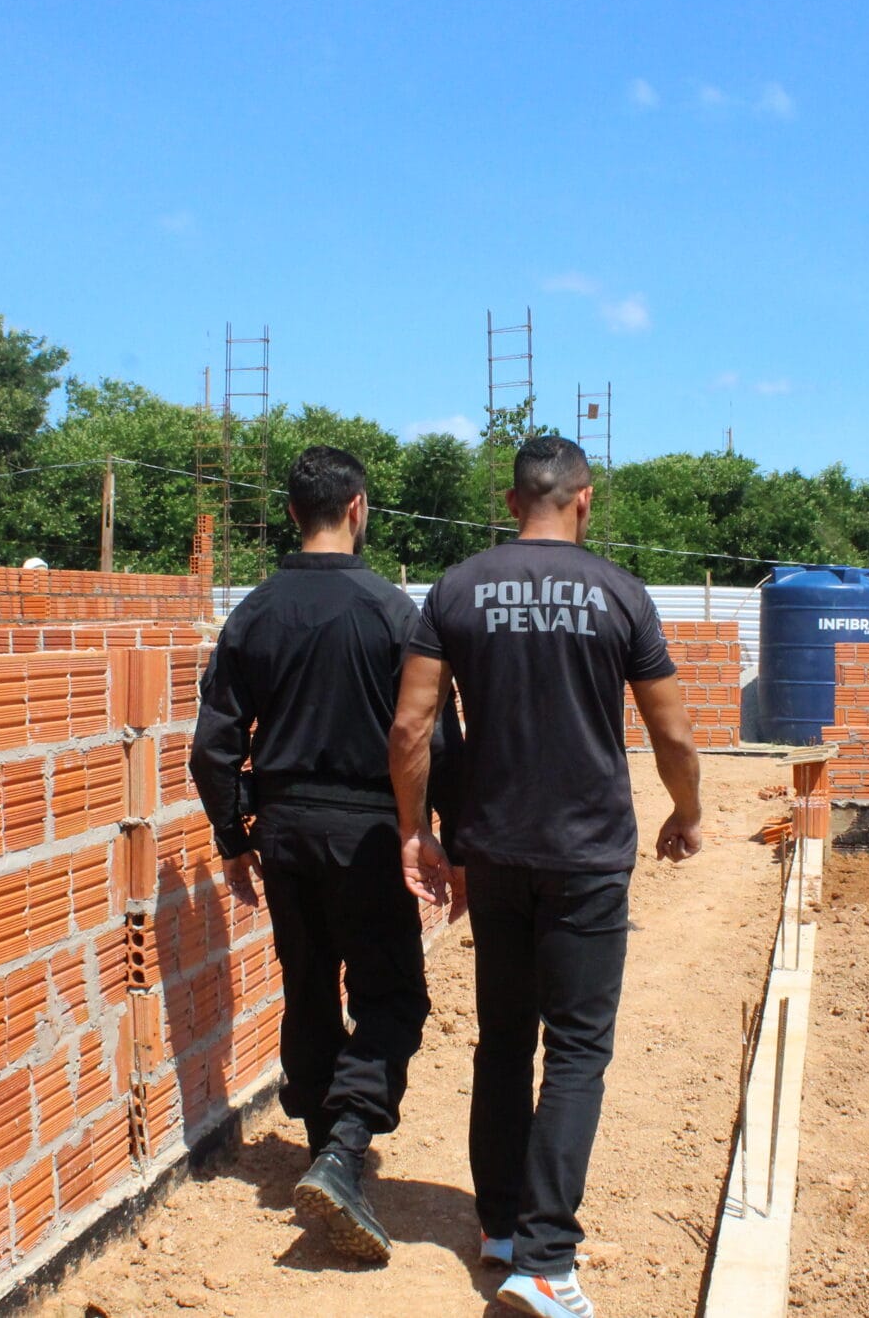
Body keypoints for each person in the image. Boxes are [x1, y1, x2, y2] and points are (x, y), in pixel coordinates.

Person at [391, 436, 703, 1318]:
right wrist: (688, 811)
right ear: (584, 499)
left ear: (510, 497)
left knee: (503, 1036)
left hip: (493, 851)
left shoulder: (454, 588)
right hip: (589, 854)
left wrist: (417, 832)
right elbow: (673, 732)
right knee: (575, 1050)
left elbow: (412, 728)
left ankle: (498, 1224)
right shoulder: (619, 593)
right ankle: (546, 1262)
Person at [189, 445, 455, 1265]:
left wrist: (236, 837)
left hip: (288, 831)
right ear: (360, 507)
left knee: (307, 986)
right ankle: (343, 1151)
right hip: (370, 830)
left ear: (294, 514)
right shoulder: (391, 610)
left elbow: (212, 747)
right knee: (392, 995)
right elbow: (429, 737)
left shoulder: (255, 613)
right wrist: (434, 830)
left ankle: (320, 1150)